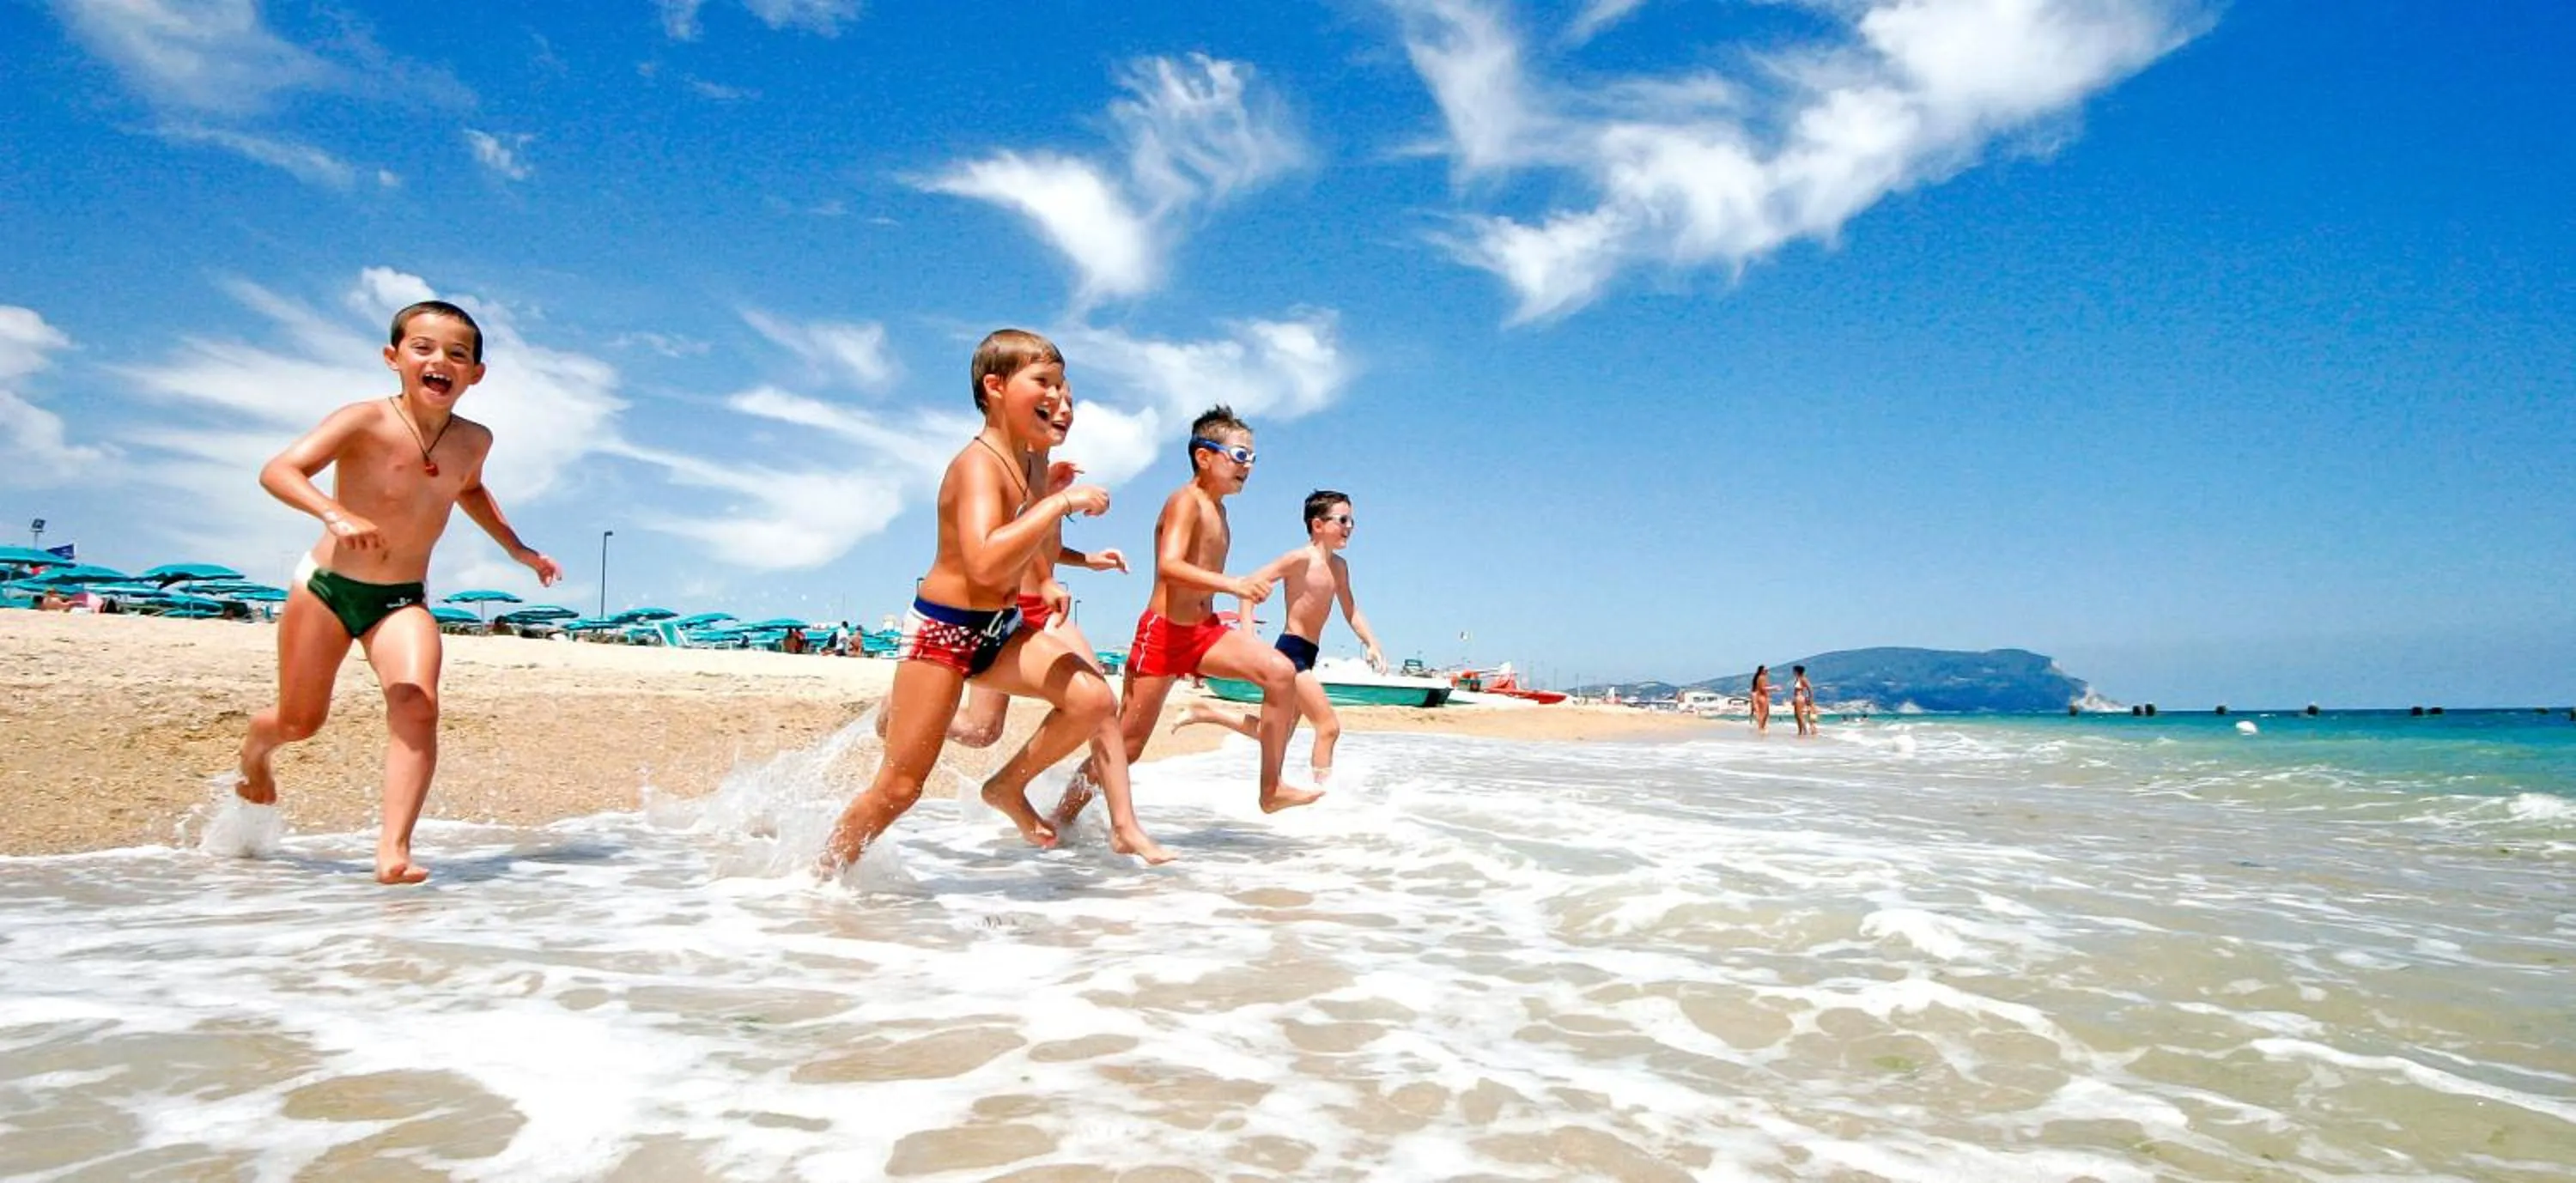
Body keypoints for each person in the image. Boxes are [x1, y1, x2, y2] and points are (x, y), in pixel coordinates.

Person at [232, 300, 562, 884]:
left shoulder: (474, 440)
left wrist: (519, 550)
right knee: (299, 722)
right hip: (327, 588)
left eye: (458, 355)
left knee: (417, 704)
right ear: (394, 358)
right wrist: (335, 515)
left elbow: (472, 491)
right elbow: (279, 470)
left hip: (401, 598)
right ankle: (255, 758)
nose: (441, 361)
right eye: (424, 348)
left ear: (476, 374)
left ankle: (394, 850)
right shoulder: (364, 420)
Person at [823, 330, 1173, 872]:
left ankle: (1008, 785)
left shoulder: (1032, 461)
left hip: (999, 628)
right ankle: (821, 876)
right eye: (1045, 384)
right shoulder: (978, 464)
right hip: (943, 634)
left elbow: (1022, 538)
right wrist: (1060, 503)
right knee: (899, 790)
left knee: (1092, 700)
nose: (1060, 400)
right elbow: (985, 558)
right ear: (994, 387)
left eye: (1063, 388)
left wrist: (1049, 571)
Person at [1051, 405, 1321, 833]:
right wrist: (1234, 585)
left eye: (1252, 458)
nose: (1248, 467)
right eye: (1240, 456)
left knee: (1280, 673)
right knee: (1129, 745)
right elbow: (1170, 566)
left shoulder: (1221, 510)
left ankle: (1271, 789)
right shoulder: (1185, 502)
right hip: (1163, 635)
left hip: (1204, 632)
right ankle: (1060, 818)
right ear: (1204, 456)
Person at [939, 397, 1130, 750]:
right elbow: (1002, 539)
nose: (1064, 409)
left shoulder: (1044, 469)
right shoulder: (1012, 462)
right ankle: (900, 708)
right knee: (981, 731)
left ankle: (1055, 798)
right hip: (1009, 608)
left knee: (1100, 704)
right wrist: (1060, 502)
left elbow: (1044, 547)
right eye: (1051, 399)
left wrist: (1088, 559)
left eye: (1069, 401)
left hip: (1044, 607)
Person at [1175, 490, 1385, 784]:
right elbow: (1249, 588)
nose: (1350, 527)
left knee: (1273, 733)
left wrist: (1371, 643)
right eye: (1343, 520)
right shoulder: (1299, 559)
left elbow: (1350, 610)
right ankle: (1323, 800)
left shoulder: (1339, 567)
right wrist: (1248, 635)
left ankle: (1206, 711)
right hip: (1292, 653)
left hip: (1309, 654)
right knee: (1328, 727)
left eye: (1352, 521)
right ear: (1318, 525)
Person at [1791, 664, 1818, 737]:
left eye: (1794, 670)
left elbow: (1810, 688)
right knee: (1796, 716)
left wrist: (1811, 698)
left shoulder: (1803, 679)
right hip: (1797, 697)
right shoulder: (1798, 679)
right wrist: (1794, 698)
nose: (1792, 672)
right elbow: (1796, 690)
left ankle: (1805, 731)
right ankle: (1800, 732)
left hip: (1800, 698)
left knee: (1800, 716)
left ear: (1797, 671)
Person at [1749, 664, 1773, 734]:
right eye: (1765, 670)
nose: (1767, 671)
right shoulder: (1762, 677)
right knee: (1762, 714)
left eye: (1767, 669)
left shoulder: (1761, 677)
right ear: (1762, 671)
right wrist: (1774, 688)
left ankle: (1762, 728)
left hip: (1761, 696)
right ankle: (1761, 729)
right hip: (1761, 697)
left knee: (1764, 714)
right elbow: (1763, 688)